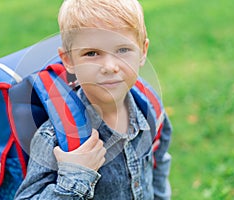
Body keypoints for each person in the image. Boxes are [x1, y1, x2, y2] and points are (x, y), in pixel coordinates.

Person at [15, 0, 172, 199]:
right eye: (92, 53)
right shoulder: (55, 137)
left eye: (123, 50)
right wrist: (76, 174)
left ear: (143, 51)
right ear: (69, 60)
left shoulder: (150, 109)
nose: (109, 66)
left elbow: (159, 163)